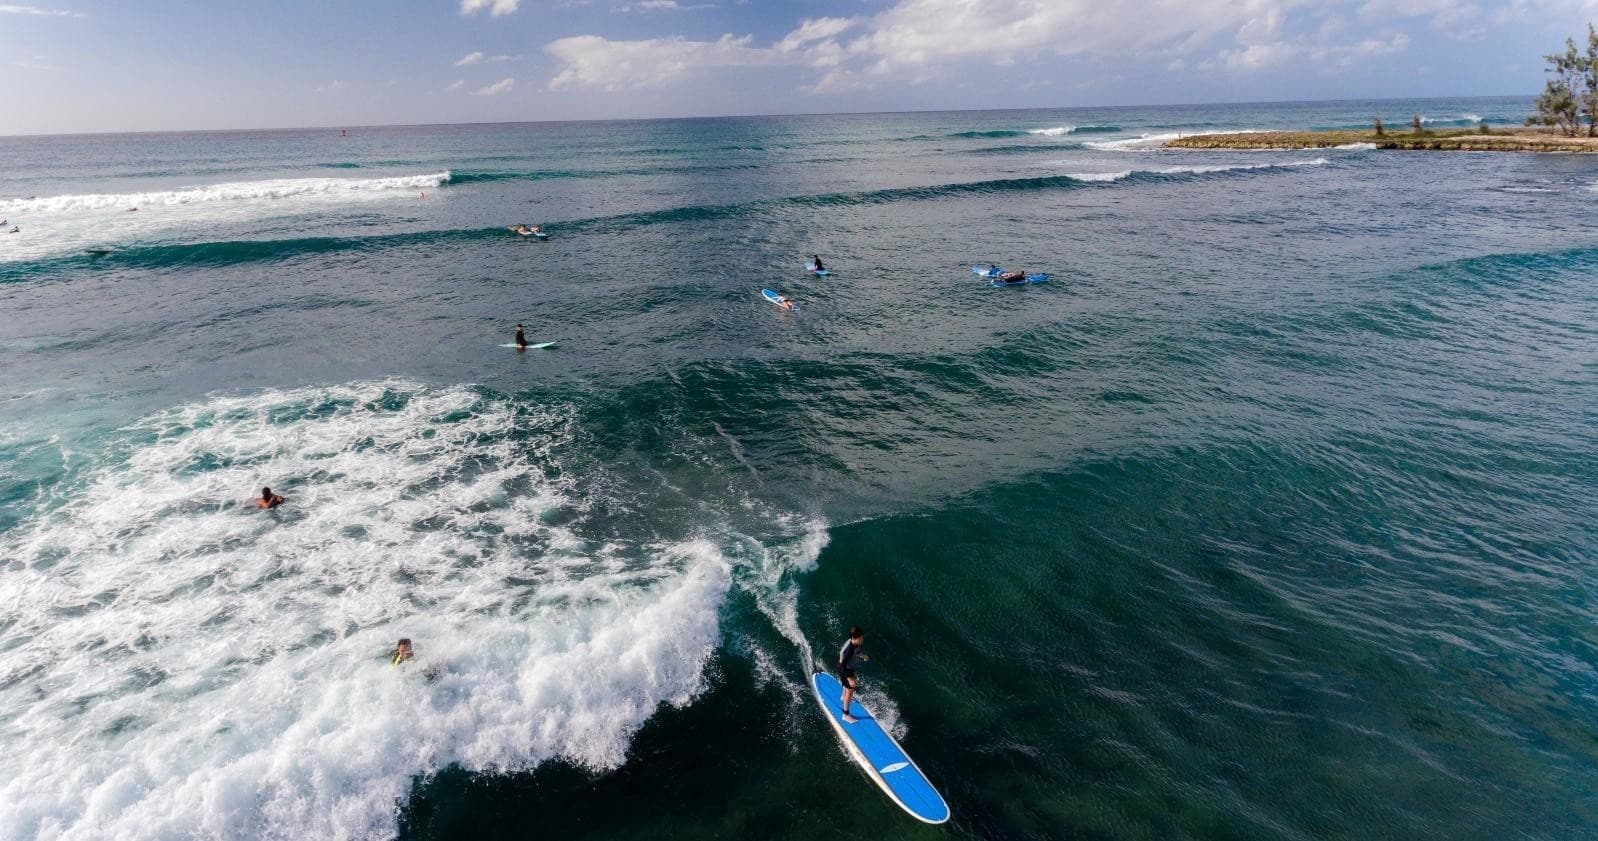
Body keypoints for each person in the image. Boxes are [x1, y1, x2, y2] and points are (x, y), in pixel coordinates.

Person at [836, 626, 868, 723]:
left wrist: (863, 656)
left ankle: (843, 697)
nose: (863, 639)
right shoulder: (848, 650)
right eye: (862, 638)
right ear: (857, 638)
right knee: (850, 690)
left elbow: (857, 651)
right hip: (844, 670)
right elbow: (841, 666)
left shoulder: (854, 643)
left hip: (849, 668)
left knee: (852, 685)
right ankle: (845, 715)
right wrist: (849, 679)